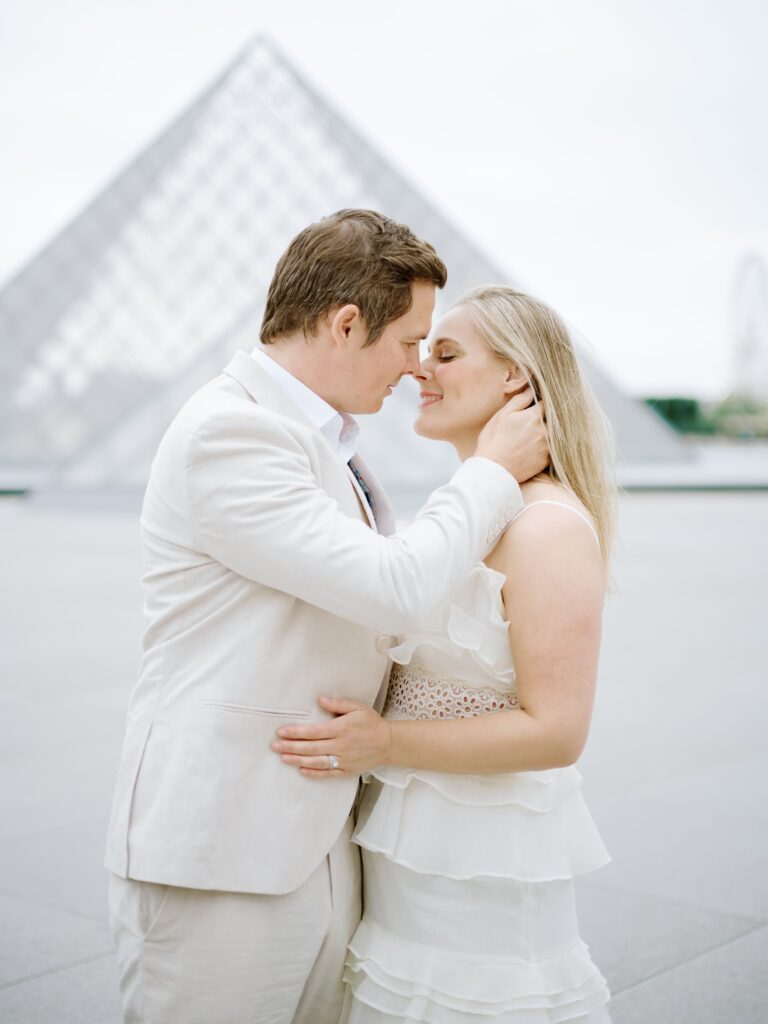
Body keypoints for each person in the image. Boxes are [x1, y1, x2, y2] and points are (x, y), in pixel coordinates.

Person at [105, 212, 549, 1024]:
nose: (416, 366)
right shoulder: (231, 431)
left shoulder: (319, 439)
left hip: (316, 842)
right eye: (408, 341)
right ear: (346, 324)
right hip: (223, 856)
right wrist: (490, 474)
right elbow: (392, 589)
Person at [273, 285, 616, 1023]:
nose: (418, 370)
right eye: (422, 351)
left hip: (483, 872)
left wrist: (384, 741)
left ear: (515, 377)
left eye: (447, 354)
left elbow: (558, 732)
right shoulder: (464, 509)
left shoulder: (547, 529)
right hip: (408, 866)